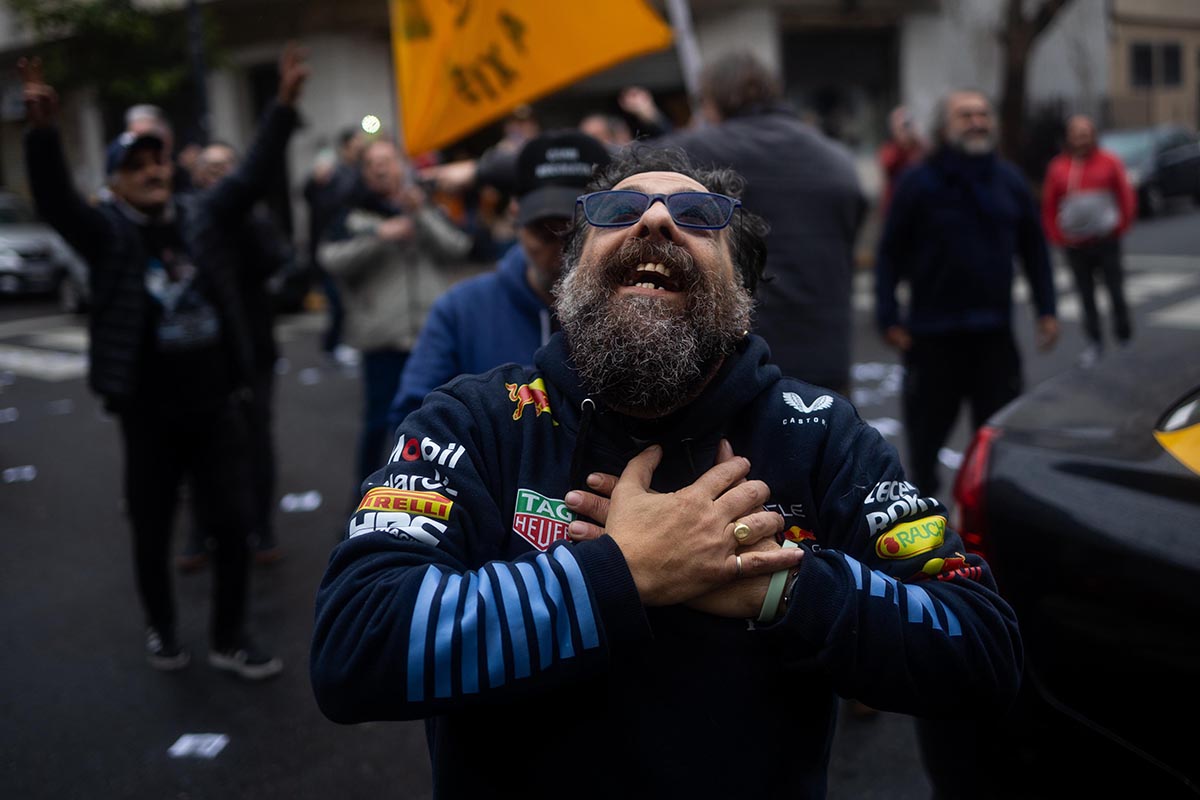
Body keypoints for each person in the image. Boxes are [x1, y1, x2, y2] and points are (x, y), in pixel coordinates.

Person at [311, 147, 1023, 798]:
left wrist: (781, 588)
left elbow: (983, 647)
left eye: (698, 218)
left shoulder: (819, 432)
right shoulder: (473, 420)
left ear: (741, 297)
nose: (654, 219)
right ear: (569, 280)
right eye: (617, 212)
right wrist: (624, 574)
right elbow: (354, 644)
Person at [21, 46, 309, 680]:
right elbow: (55, 204)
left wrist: (284, 105)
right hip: (147, 415)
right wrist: (41, 134)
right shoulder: (106, 233)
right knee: (151, 530)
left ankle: (230, 636)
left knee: (232, 526)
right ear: (116, 178)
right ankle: (162, 629)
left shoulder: (200, 218)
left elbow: (253, 172)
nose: (152, 171)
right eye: (137, 164)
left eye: (157, 160)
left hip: (214, 406)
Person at [620, 51, 865, 396]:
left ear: (715, 100)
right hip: (826, 355)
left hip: (741, 364)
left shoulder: (703, 149)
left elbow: (632, 171)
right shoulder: (838, 160)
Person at [875, 89, 1059, 498]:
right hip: (931, 338)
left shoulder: (1010, 181)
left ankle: (992, 517)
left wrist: (1047, 310)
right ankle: (925, 528)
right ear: (945, 127)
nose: (977, 121)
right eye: (966, 115)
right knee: (924, 447)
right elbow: (888, 254)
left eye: (982, 114)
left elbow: (1035, 250)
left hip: (993, 336)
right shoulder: (917, 183)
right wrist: (887, 316)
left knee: (998, 441)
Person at [386, 130, 610, 428]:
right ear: (515, 215)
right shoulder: (461, 312)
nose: (561, 252)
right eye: (544, 233)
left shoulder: (629, 314)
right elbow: (413, 423)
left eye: (576, 235)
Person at [318, 139, 471, 496]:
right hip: (383, 338)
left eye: (388, 161)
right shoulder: (352, 215)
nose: (382, 169)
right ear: (365, 174)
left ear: (402, 166)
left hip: (432, 338)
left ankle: (437, 497)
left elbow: (457, 248)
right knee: (378, 424)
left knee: (439, 425)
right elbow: (330, 260)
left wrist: (420, 214)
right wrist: (378, 236)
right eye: (374, 164)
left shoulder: (426, 207)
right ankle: (365, 501)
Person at [177, 141, 293, 570]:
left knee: (256, 438)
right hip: (202, 355)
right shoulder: (187, 219)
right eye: (210, 168)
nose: (219, 174)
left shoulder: (255, 217)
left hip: (254, 350)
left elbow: (278, 260)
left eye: (228, 166)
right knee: (199, 445)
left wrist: (243, 220)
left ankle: (261, 527)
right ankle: (198, 531)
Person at [1041, 114, 1136, 367]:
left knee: (1115, 291)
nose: (1081, 138)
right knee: (1086, 296)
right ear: (1069, 137)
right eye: (1076, 133)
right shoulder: (1059, 167)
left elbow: (1125, 194)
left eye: (1085, 133)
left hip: (1106, 240)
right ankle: (1095, 342)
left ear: (1093, 135)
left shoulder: (1109, 162)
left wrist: (1122, 224)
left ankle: (1124, 338)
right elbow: (1049, 205)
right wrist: (1057, 235)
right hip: (1075, 245)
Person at [303, 127, 367, 366]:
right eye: (356, 144)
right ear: (346, 147)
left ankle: (338, 344)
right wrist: (315, 180)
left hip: (351, 245)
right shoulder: (333, 172)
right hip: (333, 246)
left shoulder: (357, 171)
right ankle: (331, 346)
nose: (361, 148)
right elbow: (314, 198)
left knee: (349, 301)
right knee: (337, 302)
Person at [878, 105, 926, 212]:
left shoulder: (919, 145)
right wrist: (902, 143)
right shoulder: (889, 148)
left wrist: (917, 138)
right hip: (896, 203)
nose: (905, 127)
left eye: (907, 123)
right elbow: (888, 166)